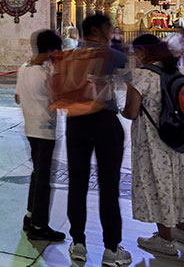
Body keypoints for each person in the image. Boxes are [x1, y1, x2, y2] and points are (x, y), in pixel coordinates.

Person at [65, 14, 131, 266]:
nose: (111, 30)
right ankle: (112, 248)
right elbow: (132, 88)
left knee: (77, 183)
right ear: (95, 29)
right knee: (109, 187)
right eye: (108, 27)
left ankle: (78, 243)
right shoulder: (115, 56)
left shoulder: (69, 56)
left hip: (76, 122)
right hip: (105, 121)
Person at [121, 34, 184, 256]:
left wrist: (121, 110)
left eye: (136, 52)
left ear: (142, 52)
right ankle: (180, 231)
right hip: (176, 140)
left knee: (158, 187)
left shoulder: (140, 76)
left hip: (152, 142)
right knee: (177, 185)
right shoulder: (174, 71)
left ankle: (165, 240)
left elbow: (131, 111)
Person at [15, 30, 65, 242]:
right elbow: (58, 101)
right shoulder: (46, 75)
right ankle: (39, 226)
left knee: (37, 173)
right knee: (43, 178)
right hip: (45, 130)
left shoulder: (24, 69)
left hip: (30, 128)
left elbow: (17, 98)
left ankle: (30, 215)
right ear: (52, 50)